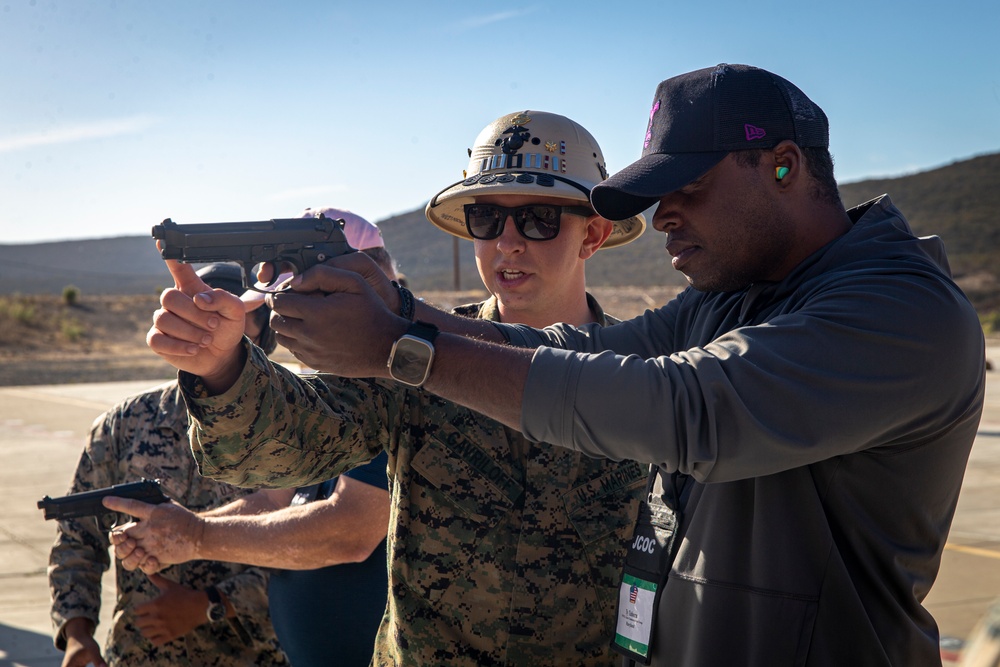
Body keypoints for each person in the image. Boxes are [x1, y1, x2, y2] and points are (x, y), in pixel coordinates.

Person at [145, 65, 985, 665]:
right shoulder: (742, 297)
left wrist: (406, 344)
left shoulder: (894, 311)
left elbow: (685, 406)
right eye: (487, 221)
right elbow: (591, 355)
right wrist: (262, 357)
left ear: (782, 165)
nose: (666, 221)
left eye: (686, 190)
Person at [117, 111, 649, 665]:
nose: (507, 244)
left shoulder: (644, 378)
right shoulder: (407, 350)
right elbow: (285, 450)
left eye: (538, 220)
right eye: (486, 219)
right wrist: (223, 367)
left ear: (593, 233)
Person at [109, 208, 395, 667]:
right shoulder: (339, 379)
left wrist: (197, 535)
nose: (283, 311)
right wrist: (172, 534)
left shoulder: (395, 375)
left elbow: (348, 531)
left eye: (300, 290)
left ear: (364, 278)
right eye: (278, 296)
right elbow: (270, 501)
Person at [47, 263, 288, 667]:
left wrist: (211, 604)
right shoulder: (124, 423)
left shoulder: (298, 430)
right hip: (141, 654)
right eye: (200, 319)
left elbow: (308, 546)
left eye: (235, 320)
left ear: (264, 333)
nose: (216, 333)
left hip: (253, 655)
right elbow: (78, 539)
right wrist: (77, 631)